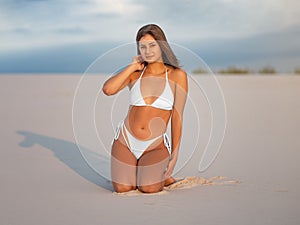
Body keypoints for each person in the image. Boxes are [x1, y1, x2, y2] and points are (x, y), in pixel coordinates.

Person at [102, 24, 188, 193]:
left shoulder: (177, 75)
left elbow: (177, 117)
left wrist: (175, 155)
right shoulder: (135, 74)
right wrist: (132, 67)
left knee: (149, 188)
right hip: (125, 141)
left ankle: (159, 175)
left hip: (154, 146)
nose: (147, 51)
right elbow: (108, 90)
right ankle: (137, 170)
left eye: (152, 45)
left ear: (162, 45)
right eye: (142, 47)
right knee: (123, 188)